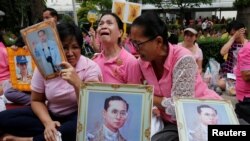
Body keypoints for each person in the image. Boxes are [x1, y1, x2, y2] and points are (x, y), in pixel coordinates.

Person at [0, 22, 102, 141]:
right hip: (51, 115)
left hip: (77, 117)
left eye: (75, 47)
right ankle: (52, 134)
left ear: (81, 47)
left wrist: (77, 84)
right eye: (64, 47)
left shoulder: (91, 67)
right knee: (3, 118)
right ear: (55, 46)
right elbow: (36, 100)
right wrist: (48, 123)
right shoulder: (45, 66)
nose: (70, 53)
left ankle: (29, 139)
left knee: (79, 129)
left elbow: (92, 110)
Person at [130, 11, 222, 141]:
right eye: (132, 43)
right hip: (171, 122)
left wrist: (147, 96)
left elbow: (179, 108)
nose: (135, 49)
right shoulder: (142, 63)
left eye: (138, 44)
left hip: (196, 115)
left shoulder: (183, 59)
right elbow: (134, 92)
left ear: (158, 41)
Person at [93, 12, 142, 84]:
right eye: (101, 24)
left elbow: (134, 94)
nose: (103, 26)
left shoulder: (131, 62)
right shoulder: (94, 62)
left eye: (109, 23)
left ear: (120, 32)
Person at [217, 21, 248, 93]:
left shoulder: (247, 43)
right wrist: (233, 37)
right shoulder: (231, 43)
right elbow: (222, 52)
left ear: (242, 31)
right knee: (220, 84)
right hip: (231, 75)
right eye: (231, 34)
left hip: (243, 76)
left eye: (234, 34)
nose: (233, 36)